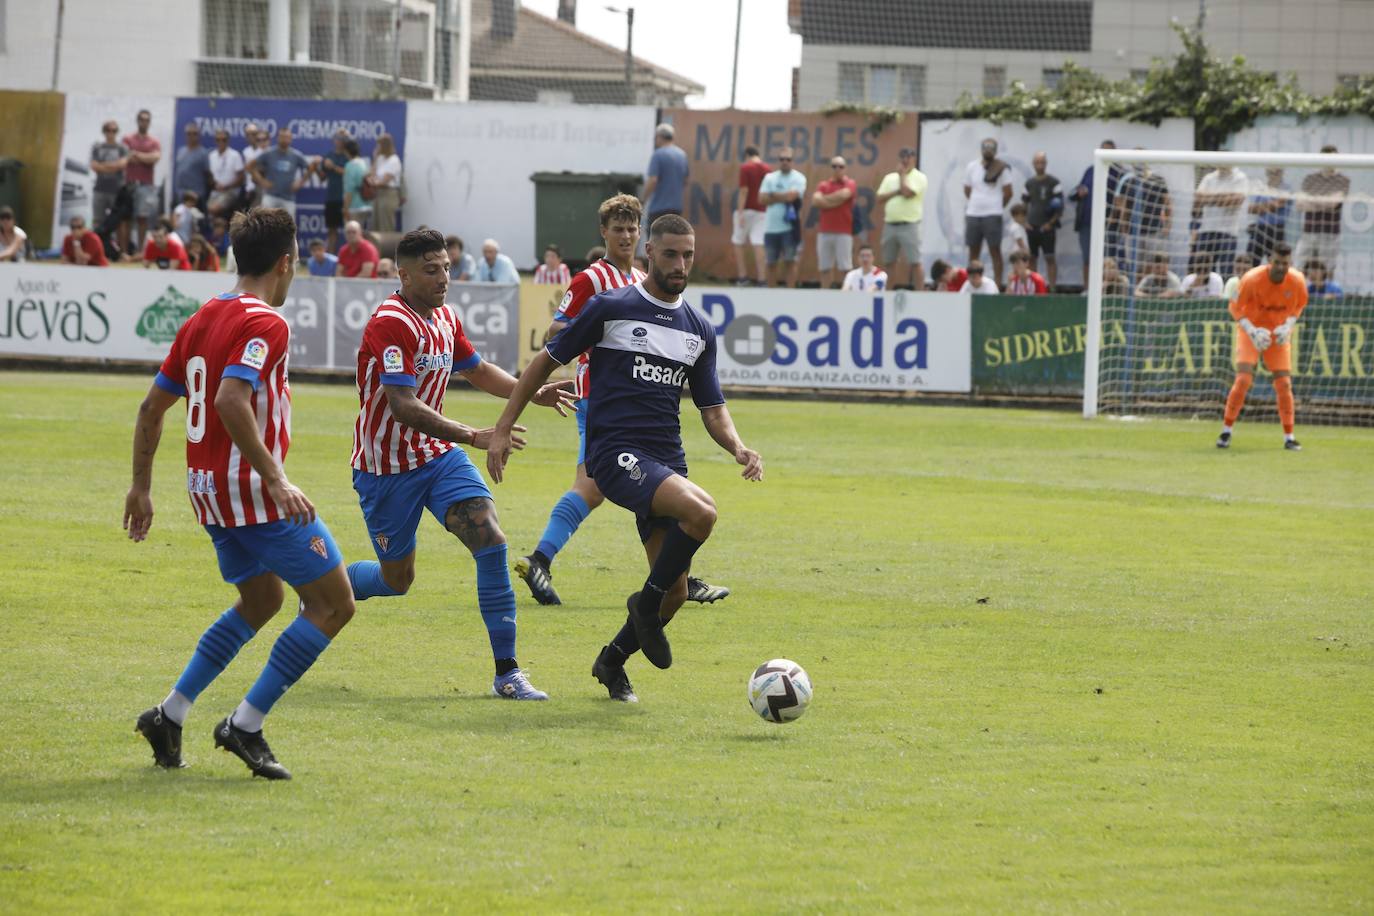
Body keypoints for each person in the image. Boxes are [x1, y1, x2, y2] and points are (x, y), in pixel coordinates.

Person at [487, 214, 763, 699]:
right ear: (650, 253)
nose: (681, 264)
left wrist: (739, 446)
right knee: (703, 512)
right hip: (615, 453)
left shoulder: (698, 328)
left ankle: (611, 662)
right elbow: (543, 363)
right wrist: (504, 426)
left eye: (689, 255)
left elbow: (712, 409)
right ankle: (644, 604)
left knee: (675, 593)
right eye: (672, 254)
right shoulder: (611, 306)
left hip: (665, 461)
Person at [127, 207, 356, 780]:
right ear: (285, 262)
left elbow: (152, 407)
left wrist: (140, 487)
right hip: (253, 495)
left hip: (208, 494)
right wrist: (276, 479)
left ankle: (170, 714)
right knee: (334, 604)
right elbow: (231, 400)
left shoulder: (203, 316)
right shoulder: (267, 323)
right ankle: (245, 725)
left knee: (262, 601)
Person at [346, 228, 576, 700]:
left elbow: (475, 370)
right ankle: (331, 583)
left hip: (437, 458)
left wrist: (529, 393)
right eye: (430, 270)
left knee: (490, 540)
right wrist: (474, 435)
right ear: (402, 273)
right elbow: (403, 405)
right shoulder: (392, 322)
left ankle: (507, 673)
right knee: (397, 580)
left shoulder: (446, 317)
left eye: (446, 267)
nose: (443, 277)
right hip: (385, 469)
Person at [512, 194, 730, 610]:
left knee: (620, 487)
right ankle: (542, 558)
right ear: (605, 233)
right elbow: (559, 331)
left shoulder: (641, 281)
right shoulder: (594, 280)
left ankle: (674, 577)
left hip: (640, 401)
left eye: (632, 228)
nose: (626, 236)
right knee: (596, 486)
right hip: (598, 396)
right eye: (619, 229)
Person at [1218, 242, 1308, 451]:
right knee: (1243, 379)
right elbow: (1234, 306)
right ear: (1270, 261)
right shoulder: (1251, 278)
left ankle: (1289, 437)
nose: (1280, 267)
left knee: (1284, 384)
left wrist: (1288, 325)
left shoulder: (1297, 280)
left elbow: (1300, 304)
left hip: (1278, 335)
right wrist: (1251, 330)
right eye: (1276, 262)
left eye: (1284, 263)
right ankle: (1226, 431)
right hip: (1252, 332)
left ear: (1290, 263)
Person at [963, 138, 1014, 288]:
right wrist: (977, 202)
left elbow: (1008, 192)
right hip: (973, 213)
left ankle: (996, 286)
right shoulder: (972, 166)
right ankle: (972, 284)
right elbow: (967, 189)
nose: (988, 150)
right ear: (981, 149)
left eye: (991, 148)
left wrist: (997, 205)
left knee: (995, 250)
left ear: (996, 150)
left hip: (993, 214)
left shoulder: (1002, 168)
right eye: (985, 147)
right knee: (973, 250)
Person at [875, 147, 927, 291]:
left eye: (908, 157)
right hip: (890, 224)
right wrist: (896, 191)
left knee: (915, 261)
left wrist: (902, 175)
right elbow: (879, 198)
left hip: (910, 224)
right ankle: (889, 292)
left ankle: (920, 293)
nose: (905, 160)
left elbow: (907, 192)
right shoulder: (889, 177)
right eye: (903, 157)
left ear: (913, 159)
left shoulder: (919, 177)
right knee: (889, 262)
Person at [1296, 146, 1349, 279]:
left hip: (1329, 232)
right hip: (1309, 231)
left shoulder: (1343, 180)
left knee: (1327, 269)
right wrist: (1324, 201)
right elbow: (1300, 204)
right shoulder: (1310, 179)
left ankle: (1327, 297)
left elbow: (1333, 204)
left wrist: (1313, 200)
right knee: (1299, 267)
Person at [1071, 140, 1120, 285]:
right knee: (1088, 259)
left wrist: (1113, 218)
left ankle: (1107, 290)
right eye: (1103, 150)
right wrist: (1079, 192)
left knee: (1108, 261)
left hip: (1108, 225)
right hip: (1087, 224)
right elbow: (1076, 191)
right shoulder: (1090, 171)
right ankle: (1088, 289)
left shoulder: (1117, 174)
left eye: (1109, 151)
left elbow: (1120, 201)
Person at [1112, 159, 1171, 280]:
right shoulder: (1129, 181)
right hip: (1134, 231)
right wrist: (1124, 227)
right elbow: (1124, 207)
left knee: (1153, 263)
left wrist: (1167, 225)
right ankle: (1136, 291)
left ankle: (1148, 290)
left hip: (1154, 230)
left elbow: (1168, 204)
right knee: (1134, 264)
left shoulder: (1158, 180)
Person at [757, 147, 806, 288]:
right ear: (779, 161)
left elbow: (793, 196)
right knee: (770, 262)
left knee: (790, 262)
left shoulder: (799, 178)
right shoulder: (770, 177)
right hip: (771, 228)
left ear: (792, 161)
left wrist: (772, 195)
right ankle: (771, 293)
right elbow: (761, 199)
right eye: (782, 159)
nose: (785, 162)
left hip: (789, 228)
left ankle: (790, 293)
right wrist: (784, 196)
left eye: (788, 159)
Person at [1193, 164, 1249, 276]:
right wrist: (1224, 197)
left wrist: (1210, 198)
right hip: (1207, 230)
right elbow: (1198, 199)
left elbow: (1237, 200)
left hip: (1228, 232)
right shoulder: (1209, 178)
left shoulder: (1240, 177)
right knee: (1203, 271)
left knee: (1225, 271)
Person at [812, 155, 857, 289]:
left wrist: (825, 201)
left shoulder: (850, 183)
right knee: (825, 267)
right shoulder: (823, 185)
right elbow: (815, 201)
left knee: (845, 267)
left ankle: (847, 295)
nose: (837, 169)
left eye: (840, 166)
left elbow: (845, 195)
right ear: (830, 168)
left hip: (844, 231)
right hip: (825, 231)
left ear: (845, 168)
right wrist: (836, 201)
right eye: (834, 166)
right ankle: (825, 294)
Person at [122, 109, 163, 254]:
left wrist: (137, 154)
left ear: (149, 122)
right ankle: (125, 253)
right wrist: (145, 157)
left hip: (146, 185)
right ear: (137, 120)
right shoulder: (128, 138)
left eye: (146, 119)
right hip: (129, 184)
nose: (144, 122)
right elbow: (126, 157)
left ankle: (140, 252)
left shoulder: (154, 142)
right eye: (141, 119)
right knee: (126, 219)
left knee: (142, 218)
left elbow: (155, 158)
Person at [250, 128, 312, 220]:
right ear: (278, 138)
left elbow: (310, 168)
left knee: (289, 227)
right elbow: (250, 166)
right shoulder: (269, 153)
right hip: (270, 195)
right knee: (265, 225)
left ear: (291, 138)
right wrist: (262, 181)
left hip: (288, 197)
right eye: (282, 137)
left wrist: (300, 182)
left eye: (287, 137)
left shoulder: (296, 155)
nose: (284, 139)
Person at [1022, 151, 1063, 288]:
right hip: (1032, 226)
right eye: (1037, 162)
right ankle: (1035, 288)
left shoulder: (1054, 182)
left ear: (1046, 163)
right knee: (1032, 258)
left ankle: (1052, 288)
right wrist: (1025, 222)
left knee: (1049, 257)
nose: (1040, 165)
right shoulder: (1029, 183)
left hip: (1047, 227)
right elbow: (1024, 204)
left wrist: (1050, 223)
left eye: (1042, 162)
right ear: (1033, 164)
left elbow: (1060, 206)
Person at [731, 145, 770, 286]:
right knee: (758, 243)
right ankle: (762, 279)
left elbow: (744, 191)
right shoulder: (768, 169)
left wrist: (740, 212)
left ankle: (743, 276)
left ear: (747, 155)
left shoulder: (746, 168)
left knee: (738, 241)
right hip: (763, 210)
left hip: (747, 209)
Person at [644, 123, 689, 224]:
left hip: (658, 208)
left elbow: (653, 180)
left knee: (655, 238)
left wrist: (643, 200)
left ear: (659, 137)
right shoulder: (682, 155)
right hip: (676, 209)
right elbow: (685, 180)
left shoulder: (658, 154)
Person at [90, 121, 130, 227]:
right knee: (98, 221)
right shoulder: (97, 147)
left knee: (118, 221)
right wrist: (114, 166)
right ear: (104, 131)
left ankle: (116, 244)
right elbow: (94, 166)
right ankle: (98, 243)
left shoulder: (122, 148)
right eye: (108, 130)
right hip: (100, 189)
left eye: (114, 130)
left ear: (117, 132)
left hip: (117, 191)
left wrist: (102, 166)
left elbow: (122, 165)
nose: (111, 133)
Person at [1247, 167, 1291, 262]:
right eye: (1271, 172)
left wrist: (1261, 207)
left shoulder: (1286, 188)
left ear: (1281, 173)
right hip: (1259, 228)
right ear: (1267, 173)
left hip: (1276, 229)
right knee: (1251, 261)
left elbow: (1277, 204)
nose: (1273, 175)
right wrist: (1269, 206)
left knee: (1275, 262)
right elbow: (1251, 209)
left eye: (1276, 172)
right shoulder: (1261, 188)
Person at [318, 131, 351, 251]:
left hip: (347, 198)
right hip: (331, 198)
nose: (340, 141)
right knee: (332, 230)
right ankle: (330, 257)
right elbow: (322, 178)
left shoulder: (348, 156)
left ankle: (349, 259)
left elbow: (349, 173)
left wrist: (333, 167)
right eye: (337, 138)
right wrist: (318, 167)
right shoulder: (328, 155)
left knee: (350, 229)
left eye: (343, 138)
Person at [173, 123, 213, 221]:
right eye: (189, 134)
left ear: (198, 135)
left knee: (194, 224)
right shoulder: (181, 151)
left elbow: (207, 174)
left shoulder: (203, 153)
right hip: (180, 195)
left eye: (194, 134)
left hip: (195, 196)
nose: (191, 136)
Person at [206, 129, 245, 219]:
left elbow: (241, 177)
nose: (221, 142)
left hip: (230, 191)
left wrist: (227, 186)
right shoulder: (212, 155)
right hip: (215, 190)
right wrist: (214, 184)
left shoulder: (235, 155)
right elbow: (209, 175)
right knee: (207, 211)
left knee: (214, 209)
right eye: (218, 140)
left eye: (224, 139)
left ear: (228, 140)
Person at [370, 133, 403, 232]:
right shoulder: (380, 159)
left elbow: (384, 181)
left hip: (388, 194)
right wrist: (375, 158)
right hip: (377, 194)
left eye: (379, 145)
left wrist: (372, 183)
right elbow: (372, 174)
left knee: (386, 226)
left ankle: (387, 248)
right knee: (375, 226)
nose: (377, 147)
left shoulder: (394, 160)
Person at [342, 139, 372, 229]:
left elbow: (349, 190)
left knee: (353, 237)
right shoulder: (363, 163)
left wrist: (345, 209)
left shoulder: (350, 166)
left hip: (354, 207)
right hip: (367, 205)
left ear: (347, 151)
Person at [241, 124, 268, 208]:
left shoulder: (265, 151)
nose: (251, 137)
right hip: (248, 188)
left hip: (262, 188)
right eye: (248, 134)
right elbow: (246, 171)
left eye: (253, 134)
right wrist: (248, 189)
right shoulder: (245, 151)